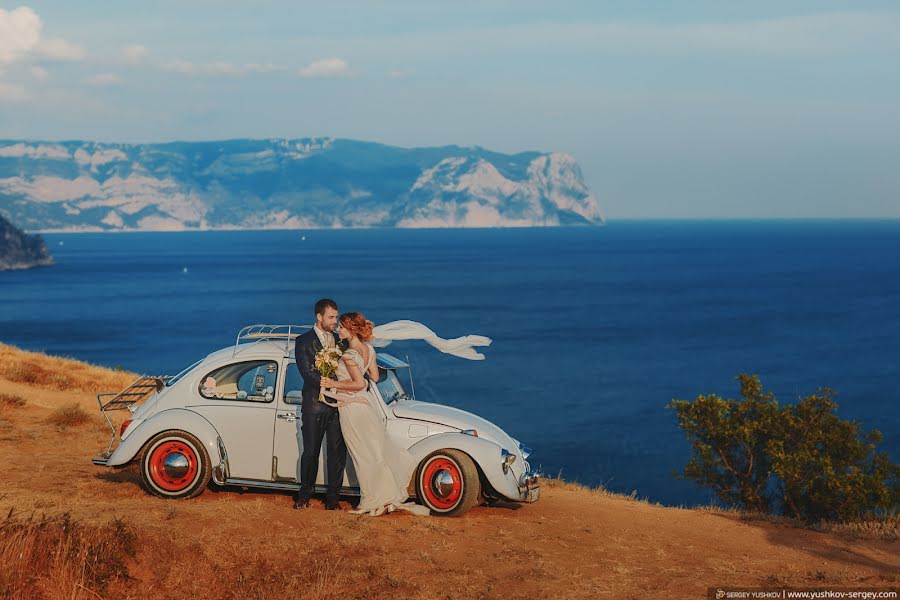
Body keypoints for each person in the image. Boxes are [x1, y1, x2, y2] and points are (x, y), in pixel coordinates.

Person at [320, 312, 432, 517]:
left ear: (352, 330)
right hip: (366, 406)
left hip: (351, 408)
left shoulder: (348, 354)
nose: (338, 330)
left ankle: (371, 499)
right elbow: (374, 376)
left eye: (342, 327)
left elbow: (360, 383)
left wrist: (333, 382)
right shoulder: (369, 350)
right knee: (374, 451)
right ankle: (383, 494)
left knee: (361, 454)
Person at [293, 298, 347, 510]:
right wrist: (328, 384)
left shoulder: (339, 341)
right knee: (311, 452)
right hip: (314, 405)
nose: (335, 321)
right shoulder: (303, 341)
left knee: (337, 451)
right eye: (331, 317)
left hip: (337, 405)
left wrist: (340, 387)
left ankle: (332, 498)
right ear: (319, 317)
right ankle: (304, 495)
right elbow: (306, 373)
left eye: (336, 316)